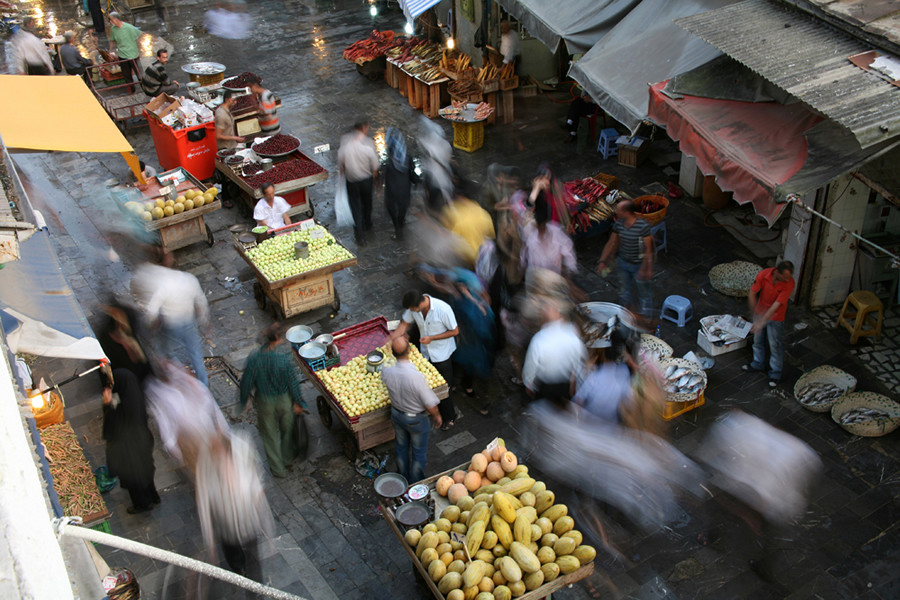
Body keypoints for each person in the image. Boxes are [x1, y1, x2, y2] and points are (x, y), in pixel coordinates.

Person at [195, 430, 272, 582]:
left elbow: (257, 489)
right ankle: (239, 570)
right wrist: (209, 541)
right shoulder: (207, 467)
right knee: (231, 548)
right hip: (227, 524)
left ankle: (254, 583)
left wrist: (268, 530)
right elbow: (203, 500)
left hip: (248, 521)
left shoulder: (242, 460)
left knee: (253, 555)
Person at [131, 248, 210, 386]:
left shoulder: (164, 284)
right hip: (188, 321)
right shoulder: (190, 279)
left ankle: (176, 377)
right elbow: (201, 301)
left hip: (170, 325)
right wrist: (205, 321)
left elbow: (153, 308)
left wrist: (150, 323)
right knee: (196, 353)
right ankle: (204, 383)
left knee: (166, 350)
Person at [239, 324, 305, 478]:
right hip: (284, 401)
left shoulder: (254, 358)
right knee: (287, 431)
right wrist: (298, 402)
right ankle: (287, 459)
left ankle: (277, 469)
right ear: (276, 339)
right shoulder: (283, 359)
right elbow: (293, 383)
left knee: (269, 435)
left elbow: (246, 382)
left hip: (264, 401)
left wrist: (244, 401)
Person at [393, 290, 459, 430]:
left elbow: (454, 331)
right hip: (425, 353)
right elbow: (405, 322)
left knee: (444, 386)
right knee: (429, 383)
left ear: (419, 304)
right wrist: (397, 337)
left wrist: (432, 338)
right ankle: (433, 409)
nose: (412, 312)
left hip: (442, 354)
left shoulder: (443, 309)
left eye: (413, 309)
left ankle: (449, 417)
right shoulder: (415, 309)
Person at [381, 337, 443, 483]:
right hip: (416, 420)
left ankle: (402, 479)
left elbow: (384, 378)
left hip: (397, 415)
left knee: (401, 448)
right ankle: (415, 483)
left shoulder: (387, 371)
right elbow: (429, 403)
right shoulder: (416, 377)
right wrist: (437, 416)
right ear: (409, 351)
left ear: (394, 354)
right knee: (418, 453)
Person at [102, 368, 159, 514]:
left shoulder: (125, 407)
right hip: (143, 441)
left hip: (130, 450)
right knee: (146, 472)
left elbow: (112, 427)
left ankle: (142, 504)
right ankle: (153, 495)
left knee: (135, 480)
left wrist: (107, 405)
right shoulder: (134, 396)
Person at [521, 282, 586, 404]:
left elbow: (531, 368)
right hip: (565, 386)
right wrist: (574, 383)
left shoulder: (540, 339)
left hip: (545, 386)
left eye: (547, 308)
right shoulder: (574, 336)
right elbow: (579, 364)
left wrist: (529, 386)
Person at [597, 200, 653, 321]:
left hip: (638, 264)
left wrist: (646, 269)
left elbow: (648, 249)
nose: (616, 212)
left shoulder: (642, 226)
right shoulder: (619, 224)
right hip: (623, 263)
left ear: (626, 212)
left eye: (619, 210)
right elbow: (612, 243)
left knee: (644, 295)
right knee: (624, 292)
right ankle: (624, 318)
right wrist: (603, 261)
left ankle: (647, 320)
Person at [743, 261, 795, 388]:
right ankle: (757, 363)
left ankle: (775, 373)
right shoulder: (763, 275)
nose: (788, 279)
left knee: (775, 344)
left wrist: (761, 322)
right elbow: (752, 293)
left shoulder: (790, 284)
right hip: (760, 311)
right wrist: (754, 316)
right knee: (758, 340)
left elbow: (776, 306)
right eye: (785, 277)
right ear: (777, 272)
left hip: (776, 317)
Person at [337, 119, 379, 245]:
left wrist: (341, 178)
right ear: (363, 129)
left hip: (352, 181)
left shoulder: (345, 144)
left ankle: (359, 235)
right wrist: (376, 180)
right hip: (366, 181)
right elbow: (375, 167)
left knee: (355, 207)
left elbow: (341, 165)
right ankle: (367, 223)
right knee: (367, 203)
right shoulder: (368, 144)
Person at [521, 193, 576, 278]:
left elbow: (569, 258)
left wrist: (565, 271)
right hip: (537, 281)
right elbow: (524, 257)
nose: (541, 229)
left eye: (542, 225)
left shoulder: (556, 233)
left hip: (554, 279)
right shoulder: (530, 235)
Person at [383, 127, 416, 240]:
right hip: (405, 190)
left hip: (392, 192)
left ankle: (398, 230)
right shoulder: (407, 158)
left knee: (392, 210)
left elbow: (385, 176)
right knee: (402, 209)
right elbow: (412, 171)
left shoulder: (389, 163)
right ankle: (400, 225)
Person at [108, 12, 142, 93]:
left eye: (111, 19)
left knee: (139, 73)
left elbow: (139, 36)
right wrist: (111, 51)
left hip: (133, 54)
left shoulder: (129, 27)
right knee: (127, 75)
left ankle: (144, 88)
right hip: (122, 55)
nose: (110, 21)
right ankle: (132, 90)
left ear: (116, 19)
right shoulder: (113, 29)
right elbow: (112, 41)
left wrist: (139, 50)